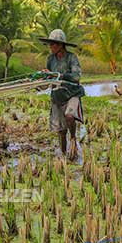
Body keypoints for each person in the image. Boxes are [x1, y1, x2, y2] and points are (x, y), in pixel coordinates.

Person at [38, 29, 85, 157]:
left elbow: (76, 76)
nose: (50, 47)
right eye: (50, 44)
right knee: (61, 131)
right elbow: (48, 79)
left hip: (71, 94)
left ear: (60, 45)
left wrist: (59, 75)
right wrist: (42, 79)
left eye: (53, 44)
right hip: (57, 96)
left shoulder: (71, 58)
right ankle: (64, 156)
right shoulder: (50, 59)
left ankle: (74, 139)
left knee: (69, 116)